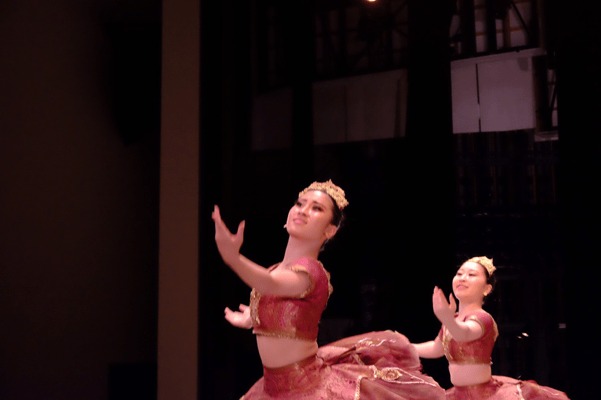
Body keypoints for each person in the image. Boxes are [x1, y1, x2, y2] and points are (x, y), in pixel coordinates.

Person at [213, 180, 445, 400]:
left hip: (308, 387)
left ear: (330, 230)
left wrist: (233, 258)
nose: (303, 211)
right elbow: (276, 301)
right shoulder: (274, 269)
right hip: (271, 388)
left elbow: (270, 284)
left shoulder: (311, 272)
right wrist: (253, 316)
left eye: (316, 208)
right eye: (299, 204)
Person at [413, 256, 569, 399]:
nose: (463, 278)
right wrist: (406, 346)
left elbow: (463, 333)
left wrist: (445, 317)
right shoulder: (452, 321)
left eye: (471, 275)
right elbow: (436, 348)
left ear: (487, 289)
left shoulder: (483, 319)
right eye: (459, 273)